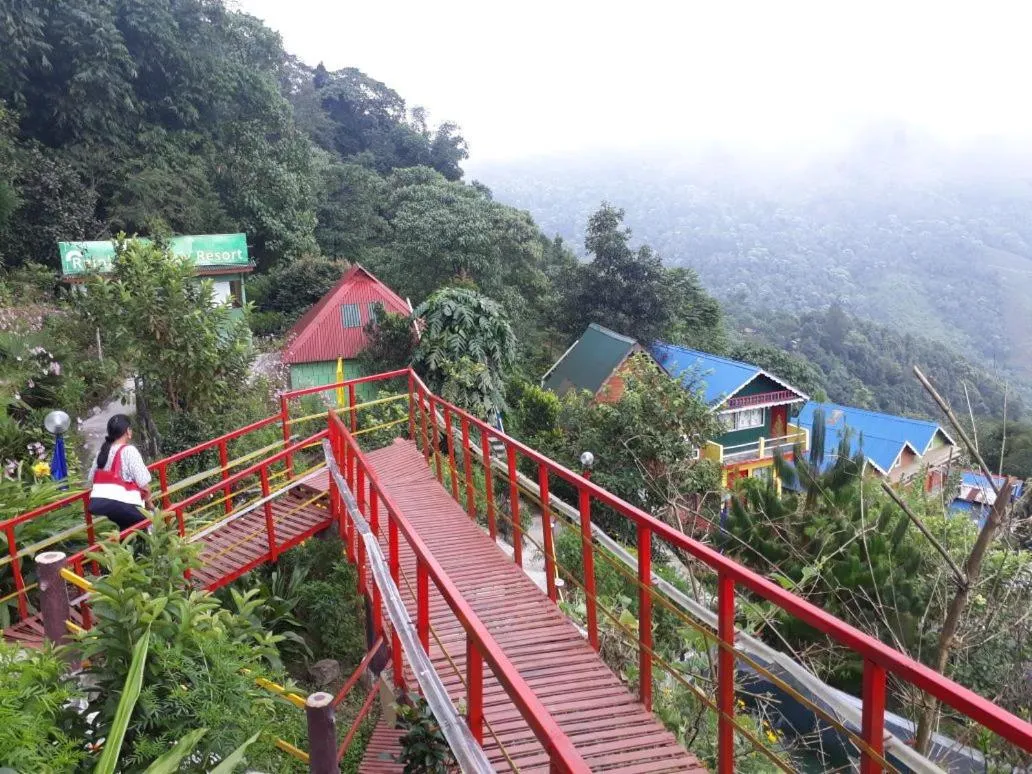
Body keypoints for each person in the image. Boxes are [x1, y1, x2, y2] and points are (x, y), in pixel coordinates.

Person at [86, 414, 154, 532]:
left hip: (109, 508)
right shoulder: (129, 451)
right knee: (143, 532)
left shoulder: (102, 452)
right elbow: (144, 485)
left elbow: (91, 479)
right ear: (128, 431)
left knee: (125, 535)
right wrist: (150, 504)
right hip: (128, 506)